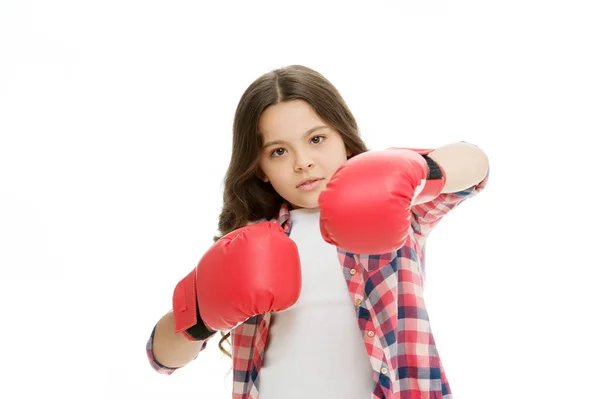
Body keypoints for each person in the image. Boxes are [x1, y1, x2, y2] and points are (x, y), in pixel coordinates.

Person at [146, 64, 490, 399]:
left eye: (316, 139)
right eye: (278, 151)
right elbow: (160, 357)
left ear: (344, 138)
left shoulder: (400, 210)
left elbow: (476, 166)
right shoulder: (249, 240)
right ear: (261, 168)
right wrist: (201, 317)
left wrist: (421, 170)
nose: (302, 162)